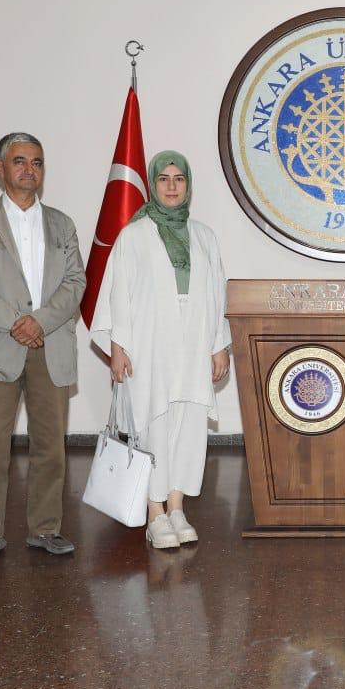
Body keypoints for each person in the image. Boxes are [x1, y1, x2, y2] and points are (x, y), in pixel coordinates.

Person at [0, 132, 86, 564]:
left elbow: (75, 282)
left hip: (50, 346)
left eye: (37, 162)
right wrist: (16, 323)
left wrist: (40, 322)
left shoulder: (61, 223)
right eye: (19, 161)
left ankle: (45, 529)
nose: (29, 169)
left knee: (51, 446)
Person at [91, 150, 230, 550]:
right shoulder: (134, 234)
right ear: (153, 184)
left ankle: (177, 506)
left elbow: (217, 294)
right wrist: (118, 347)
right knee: (155, 422)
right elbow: (119, 294)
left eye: (179, 179)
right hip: (150, 343)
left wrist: (219, 345)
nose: (172, 186)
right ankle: (154, 512)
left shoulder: (204, 235)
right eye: (164, 179)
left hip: (194, 340)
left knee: (188, 425)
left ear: (188, 185)